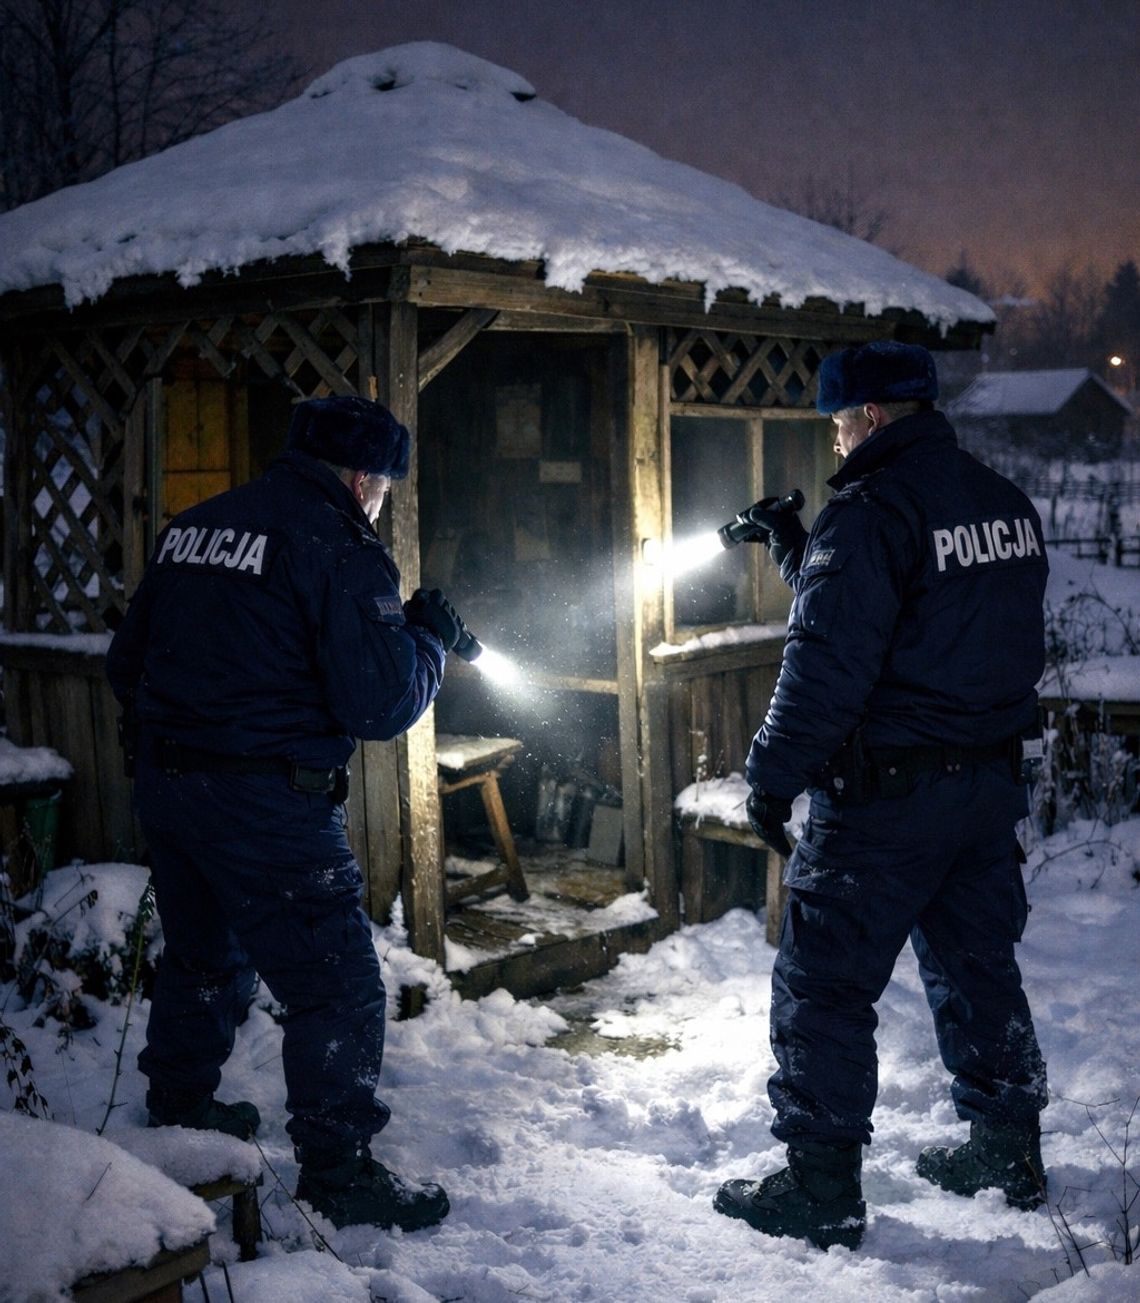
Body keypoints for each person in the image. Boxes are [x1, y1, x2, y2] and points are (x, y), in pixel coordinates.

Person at [713, 341, 1049, 1250]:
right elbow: (928, 629)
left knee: (822, 986)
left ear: (868, 417)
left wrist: (771, 777)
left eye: (836, 425)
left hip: (887, 801)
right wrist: (800, 551)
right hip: (984, 791)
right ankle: (1008, 1147)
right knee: (979, 967)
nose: (833, 444)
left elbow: (827, 667)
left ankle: (820, 1185)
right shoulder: (1001, 503)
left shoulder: (868, 514)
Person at [106, 395, 464, 1232]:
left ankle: (182, 1111)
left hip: (170, 789)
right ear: (365, 476)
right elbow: (377, 702)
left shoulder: (196, 526)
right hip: (269, 804)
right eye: (382, 488)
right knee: (336, 985)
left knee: (202, 955)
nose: (379, 502)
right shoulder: (340, 546)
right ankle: (339, 1170)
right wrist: (428, 644)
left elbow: (128, 663)